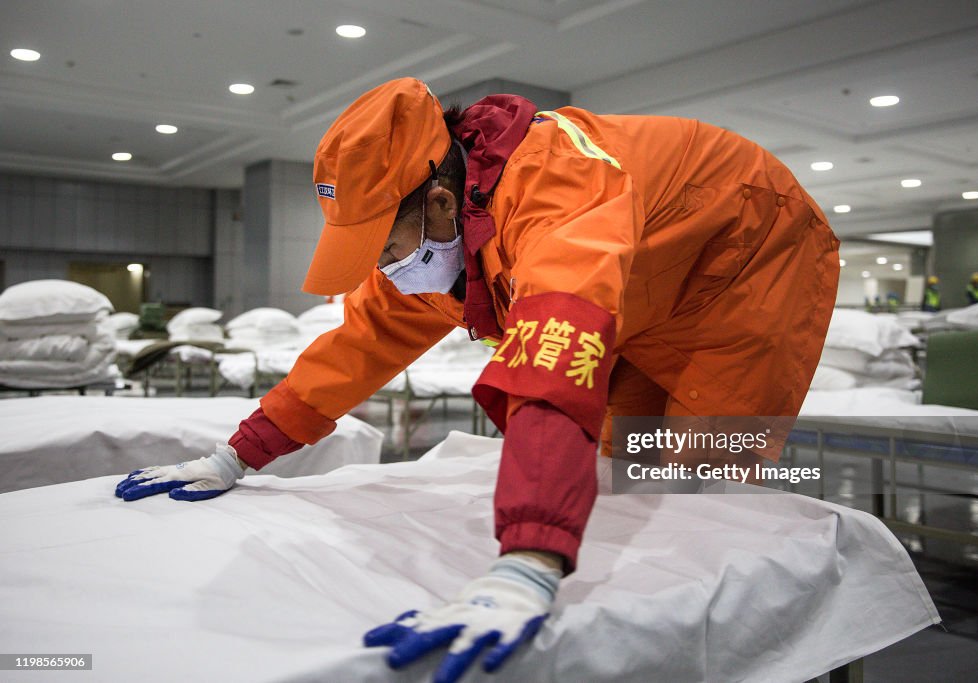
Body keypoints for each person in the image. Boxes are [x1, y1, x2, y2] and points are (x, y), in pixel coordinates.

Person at [114, 78, 839, 681]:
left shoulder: (555, 188)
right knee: (626, 475)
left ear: (435, 201)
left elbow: (555, 359)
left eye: (386, 246)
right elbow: (357, 343)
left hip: (750, 253)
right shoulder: (442, 227)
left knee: (700, 479)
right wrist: (237, 453)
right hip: (650, 276)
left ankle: (754, 652)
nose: (387, 267)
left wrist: (528, 560)